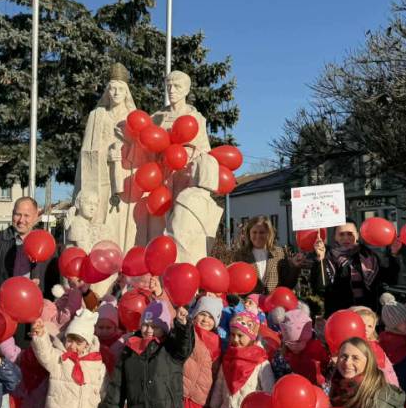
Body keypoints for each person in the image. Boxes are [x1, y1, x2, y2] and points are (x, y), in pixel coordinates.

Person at [72, 63, 151, 256]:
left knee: (124, 227)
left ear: (126, 92)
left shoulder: (133, 117)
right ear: (107, 91)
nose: (116, 93)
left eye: (120, 89)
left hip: (126, 179)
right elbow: (87, 153)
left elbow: (144, 154)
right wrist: (105, 155)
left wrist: (127, 148)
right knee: (99, 223)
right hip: (99, 179)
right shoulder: (96, 116)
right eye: (112, 88)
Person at [149, 71, 224, 264]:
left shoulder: (195, 117)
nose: (172, 90)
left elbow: (204, 151)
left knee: (181, 222)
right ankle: (160, 263)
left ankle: (181, 262)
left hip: (185, 175)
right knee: (161, 222)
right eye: (169, 86)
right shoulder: (157, 117)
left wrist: (186, 154)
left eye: (177, 86)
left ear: (186, 90)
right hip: (161, 176)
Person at [0, 197, 57, 340]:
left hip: (32, 319)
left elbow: (53, 281)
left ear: (36, 217)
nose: (21, 220)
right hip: (0, 313)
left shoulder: (47, 244)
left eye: (26, 216)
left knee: (26, 352)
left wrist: (46, 312)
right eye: (18, 214)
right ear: (12, 214)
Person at [310, 222, 402, 314]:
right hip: (340, 314)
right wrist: (320, 259)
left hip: (368, 313)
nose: (346, 238)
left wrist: (394, 255)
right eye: (341, 234)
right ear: (335, 237)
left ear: (357, 235)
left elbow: (390, 279)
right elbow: (319, 287)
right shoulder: (328, 257)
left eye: (350, 234)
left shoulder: (369, 255)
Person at [231, 216, 303, 295]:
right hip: (250, 301)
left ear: (269, 233)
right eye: (254, 232)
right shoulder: (240, 255)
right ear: (249, 233)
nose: (258, 236)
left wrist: (294, 267)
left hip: (273, 300)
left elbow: (287, 284)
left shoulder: (279, 253)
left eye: (262, 232)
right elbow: (235, 284)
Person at [350, 306, 399, 387]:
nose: (366, 328)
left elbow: (388, 371)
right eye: (362, 324)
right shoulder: (347, 346)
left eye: (370, 326)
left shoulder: (376, 347)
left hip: (378, 387)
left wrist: (393, 387)